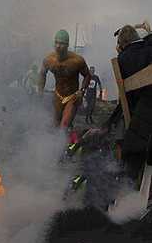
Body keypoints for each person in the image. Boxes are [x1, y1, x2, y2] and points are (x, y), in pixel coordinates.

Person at [94, 24, 152, 181]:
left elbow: (128, 98)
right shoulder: (148, 48)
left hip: (141, 115)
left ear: (122, 44)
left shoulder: (124, 59)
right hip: (144, 110)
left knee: (126, 137)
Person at [38, 29, 91, 129]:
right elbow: (42, 74)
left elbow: (87, 75)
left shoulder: (77, 61)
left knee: (64, 125)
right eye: (56, 42)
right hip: (58, 95)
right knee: (55, 124)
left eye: (61, 43)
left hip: (72, 96)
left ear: (67, 45)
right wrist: (40, 90)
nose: (58, 46)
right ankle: (61, 142)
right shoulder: (49, 60)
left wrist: (82, 91)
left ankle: (64, 137)